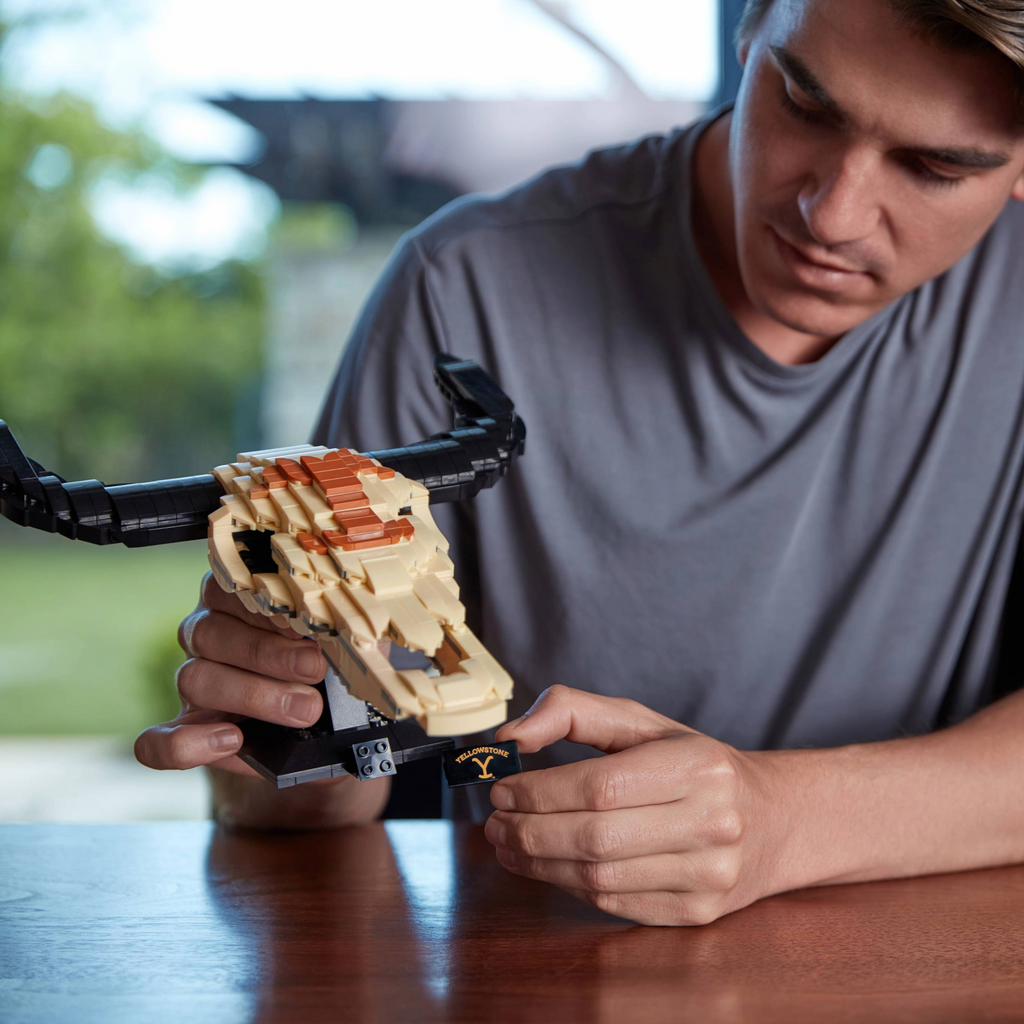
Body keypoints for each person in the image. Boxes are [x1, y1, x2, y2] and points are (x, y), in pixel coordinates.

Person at [136, 0, 1024, 926]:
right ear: (747, 30)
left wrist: (784, 821)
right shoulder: (462, 295)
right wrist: (284, 731)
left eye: (934, 166)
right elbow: (315, 807)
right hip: (541, 969)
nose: (831, 214)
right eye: (802, 102)